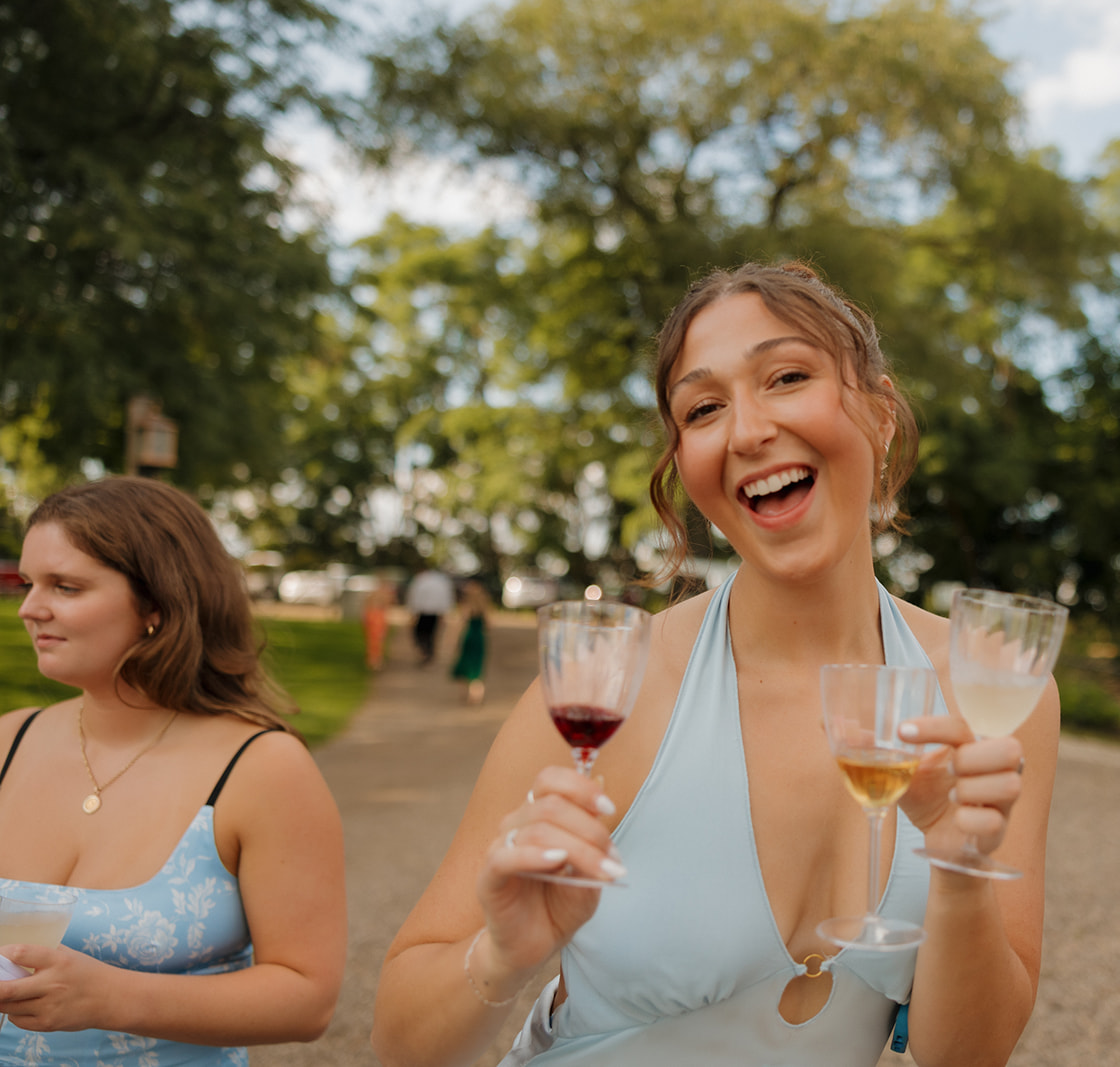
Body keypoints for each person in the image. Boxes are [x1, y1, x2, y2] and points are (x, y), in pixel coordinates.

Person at [371, 262, 1058, 1067]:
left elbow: (965, 1058)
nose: (746, 430)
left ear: (878, 407)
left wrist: (961, 869)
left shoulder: (995, 694)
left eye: (787, 376)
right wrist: (499, 957)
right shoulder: (614, 686)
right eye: (704, 408)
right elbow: (397, 1044)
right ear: (683, 461)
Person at [0, 476, 347, 1064]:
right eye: (31, 584)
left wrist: (114, 998)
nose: (31, 608)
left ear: (157, 606)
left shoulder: (261, 768)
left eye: (67, 586)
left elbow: (307, 999)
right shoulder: (10, 738)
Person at [450, 579, 492, 705]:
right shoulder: (484, 605)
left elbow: (461, 623)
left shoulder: (467, 605)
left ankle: (465, 693)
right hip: (479, 638)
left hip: (469, 637)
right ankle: (477, 695)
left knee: (465, 665)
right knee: (477, 667)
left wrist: (453, 640)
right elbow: (489, 624)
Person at [406, 565, 455, 665]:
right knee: (431, 633)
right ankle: (429, 651)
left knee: (421, 633)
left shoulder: (420, 581)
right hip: (435, 613)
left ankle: (425, 650)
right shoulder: (441, 582)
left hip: (423, 612)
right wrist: (444, 612)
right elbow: (446, 598)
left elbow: (414, 597)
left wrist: (413, 612)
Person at [364, 578, 397, 671]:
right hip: (378, 617)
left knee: (373, 639)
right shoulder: (383, 595)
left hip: (374, 616)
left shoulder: (373, 594)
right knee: (377, 639)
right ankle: (375, 660)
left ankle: (374, 659)